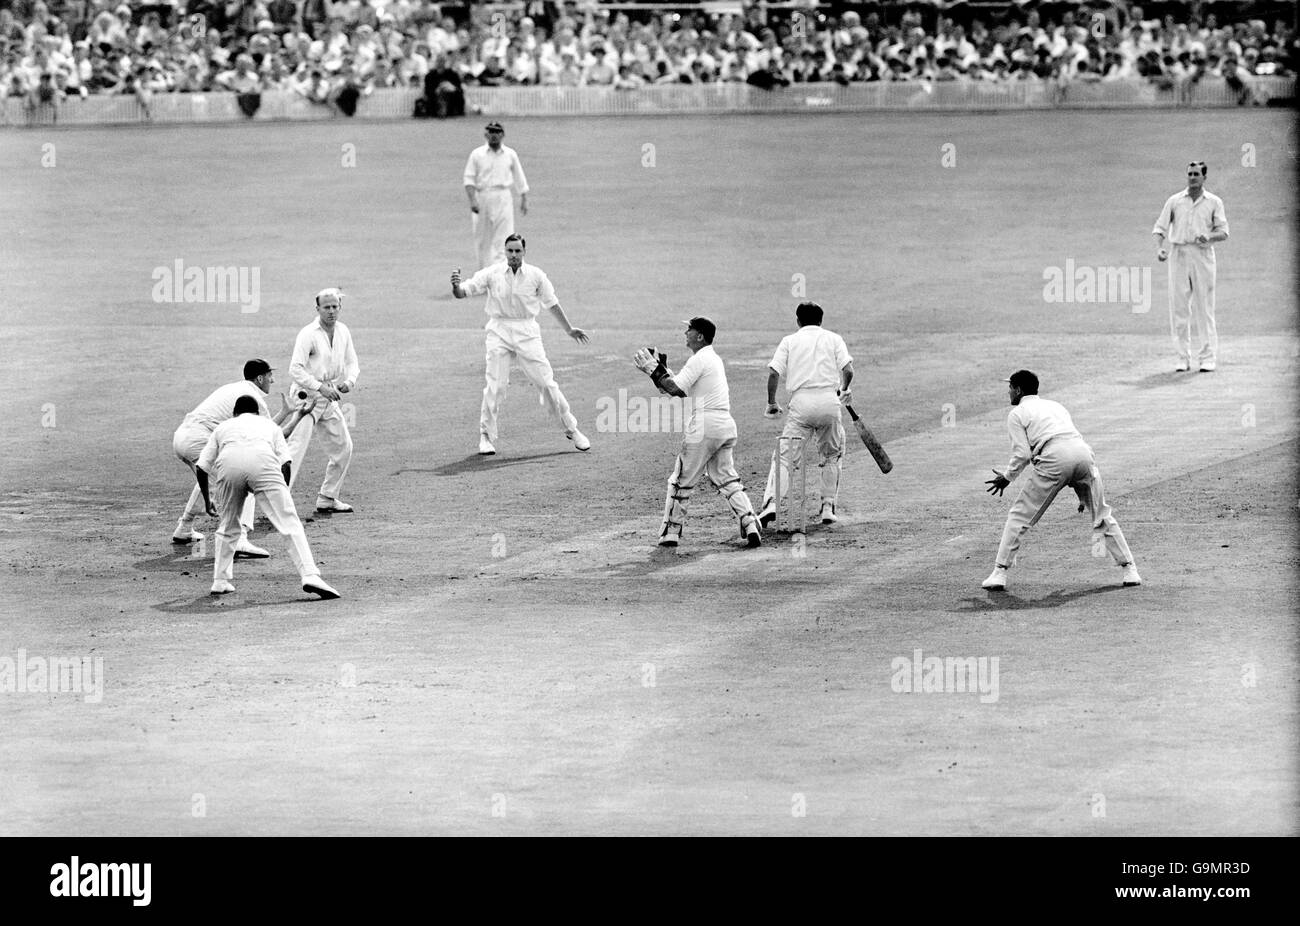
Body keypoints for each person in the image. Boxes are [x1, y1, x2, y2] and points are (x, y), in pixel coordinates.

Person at [982, 370, 1141, 590]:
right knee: (1101, 514)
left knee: (1019, 516)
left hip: (1053, 459)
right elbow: (1070, 444)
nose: (1008, 391)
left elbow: (1023, 454)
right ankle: (1130, 570)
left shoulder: (1017, 414)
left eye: (1010, 388)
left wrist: (1007, 477)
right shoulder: (1056, 406)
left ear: (1018, 390)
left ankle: (999, 573)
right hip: (1083, 455)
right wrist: (1081, 490)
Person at [450, 234, 591, 456]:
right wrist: (456, 287)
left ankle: (572, 429)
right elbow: (464, 292)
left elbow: (551, 303)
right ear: (505, 252)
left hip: (527, 331)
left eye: (517, 251)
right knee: (495, 385)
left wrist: (569, 329)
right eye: (510, 251)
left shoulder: (536, 275)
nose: (513, 255)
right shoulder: (492, 273)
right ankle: (485, 436)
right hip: (499, 330)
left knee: (546, 384)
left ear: (524, 252)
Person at [632, 317, 762, 549]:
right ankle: (750, 522)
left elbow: (674, 388)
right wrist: (660, 372)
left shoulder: (699, 359)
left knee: (681, 481)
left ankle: (670, 533)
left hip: (704, 426)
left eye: (689, 330)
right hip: (724, 424)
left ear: (700, 336)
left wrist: (654, 370)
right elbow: (677, 390)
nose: (685, 333)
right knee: (725, 477)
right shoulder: (711, 358)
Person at [196, 395, 341, 599]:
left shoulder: (224, 427)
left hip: (229, 466)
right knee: (289, 522)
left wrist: (206, 499)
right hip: (262, 464)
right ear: (257, 412)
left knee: (228, 526)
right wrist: (283, 494)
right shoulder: (267, 425)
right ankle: (309, 575)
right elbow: (286, 463)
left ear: (235, 413)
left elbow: (201, 467)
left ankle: (220, 581)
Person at [171, 359, 306, 555]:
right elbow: (272, 435)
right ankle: (240, 538)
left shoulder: (237, 389)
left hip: (182, 438)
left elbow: (264, 430)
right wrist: (296, 417)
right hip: (198, 439)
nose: (273, 380)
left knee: (213, 477)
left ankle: (184, 528)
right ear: (260, 378)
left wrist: (287, 413)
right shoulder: (254, 399)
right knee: (243, 474)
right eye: (270, 376)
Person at [759, 302, 853, 526]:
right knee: (831, 456)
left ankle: (771, 503)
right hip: (829, 402)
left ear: (798, 321)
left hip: (801, 404)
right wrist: (845, 389)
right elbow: (848, 370)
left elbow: (774, 374)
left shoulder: (789, 341)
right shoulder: (833, 338)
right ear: (821, 320)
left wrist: (772, 402)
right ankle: (828, 507)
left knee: (784, 457)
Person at [1152, 160, 1229, 372]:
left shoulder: (1214, 202)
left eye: (1196, 174)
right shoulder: (1175, 201)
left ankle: (1207, 357)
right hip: (1178, 253)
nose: (1192, 178)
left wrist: (1209, 236)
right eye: (1190, 174)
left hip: (1202, 254)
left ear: (1204, 177)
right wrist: (1160, 248)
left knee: (1204, 307)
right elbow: (1160, 228)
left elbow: (1223, 232)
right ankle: (1182, 358)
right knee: (1178, 308)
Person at [287, 288, 360, 513]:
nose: (331, 311)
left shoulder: (343, 331)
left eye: (334, 306)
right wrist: (320, 388)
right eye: (326, 307)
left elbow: (352, 363)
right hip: (305, 398)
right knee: (293, 452)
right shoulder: (308, 334)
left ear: (340, 307)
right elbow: (295, 369)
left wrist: (349, 382)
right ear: (317, 308)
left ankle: (328, 497)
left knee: (344, 447)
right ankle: (277, 504)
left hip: (328, 396)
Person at [462, 121, 529, 269]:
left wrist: (524, 198)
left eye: (497, 132)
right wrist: (472, 200)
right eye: (490, 132)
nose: (493, 136)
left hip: (503, 196)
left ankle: (500, 275)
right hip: (483, 196)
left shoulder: (510, 155)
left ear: (502, 135)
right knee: (482, 239)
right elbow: (469, 178)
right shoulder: (477, 155)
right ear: (486, 135)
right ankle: (484, 274)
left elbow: (519, 177)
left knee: (504, 236)